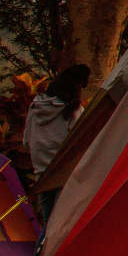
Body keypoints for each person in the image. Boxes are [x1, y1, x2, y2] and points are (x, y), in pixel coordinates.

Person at [25, 64, 89, 226]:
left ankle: (41, 252)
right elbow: (80, 144)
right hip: (63, 178)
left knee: (48, 224)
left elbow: (26, 141)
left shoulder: (35, 106)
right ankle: (43, 253)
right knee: (57, 228)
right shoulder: (73, 110)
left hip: (42, 176)